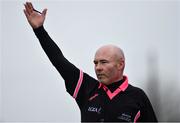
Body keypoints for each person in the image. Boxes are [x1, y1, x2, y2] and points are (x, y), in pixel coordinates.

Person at [23, 2, 158, 122]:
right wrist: (39, 31)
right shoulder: (86, 88)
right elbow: (59, 60)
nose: (98, 67)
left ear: (120, 64)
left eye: (104, 62)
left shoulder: (138, 97)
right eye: (95, 63)